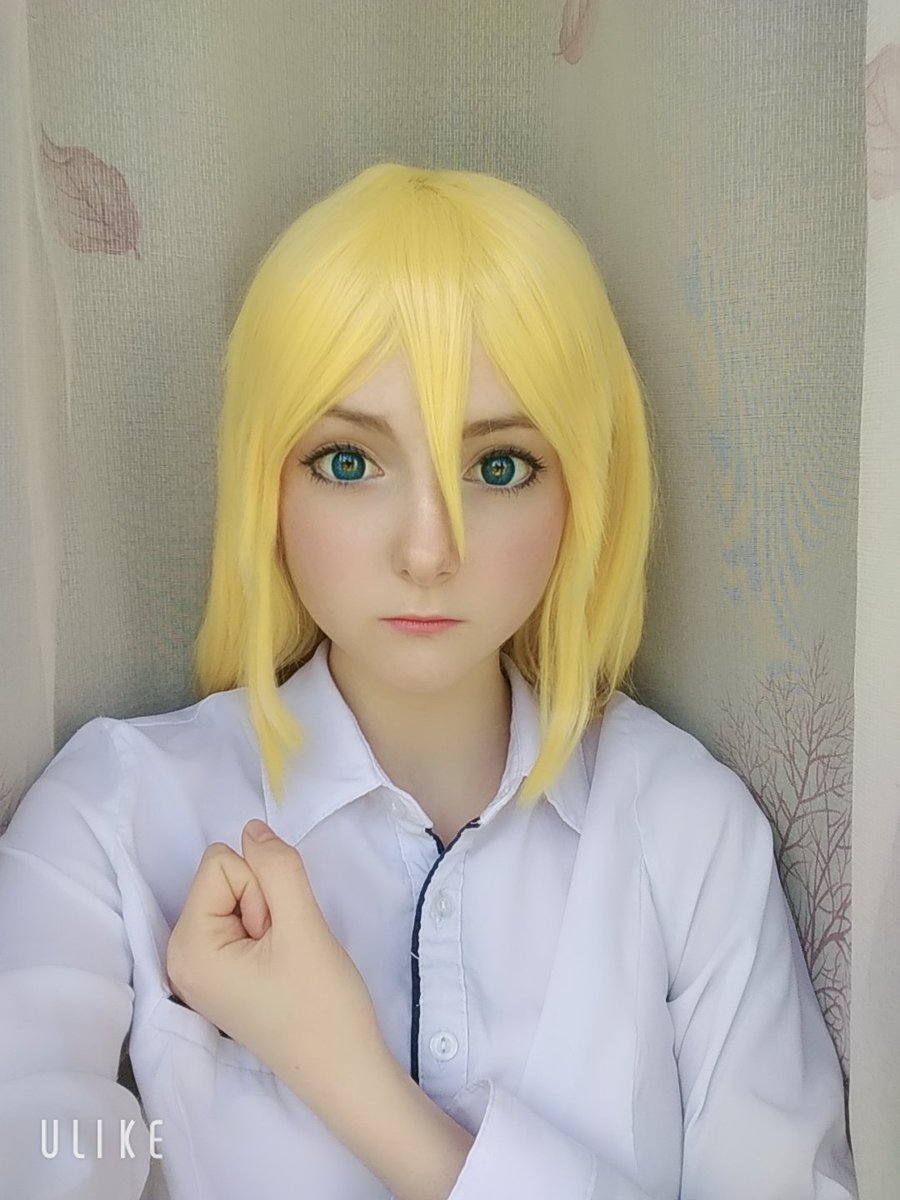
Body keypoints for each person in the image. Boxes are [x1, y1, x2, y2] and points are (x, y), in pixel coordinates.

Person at [0, 163, 857, 1200]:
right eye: (348, 462)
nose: (427, 552)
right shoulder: (112, 817)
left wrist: (349, 1080)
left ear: (583, 493)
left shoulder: (688, 832)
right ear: (264, 481)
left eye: (499, 468)